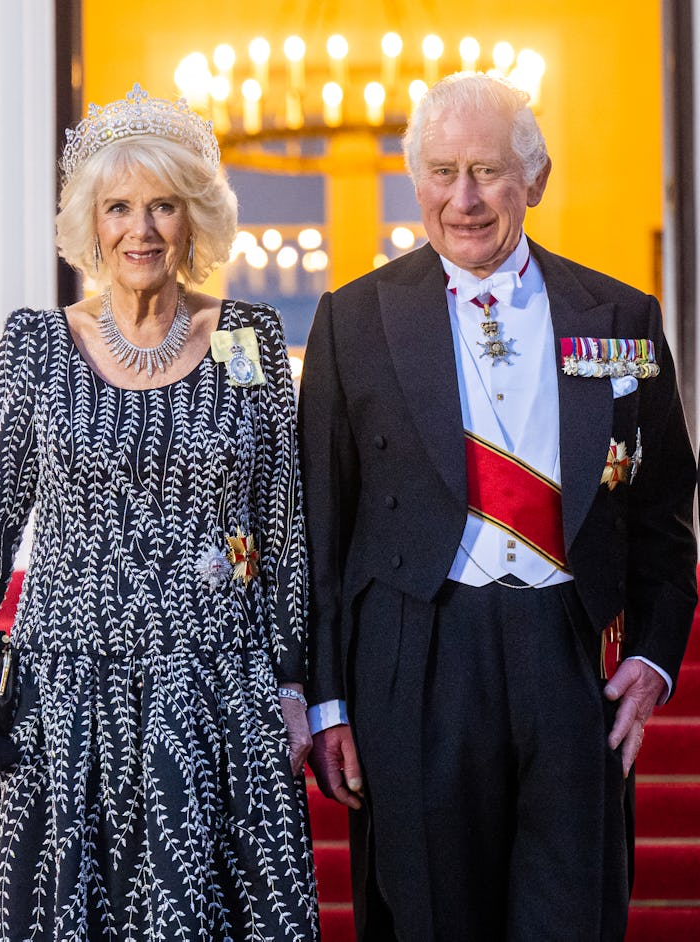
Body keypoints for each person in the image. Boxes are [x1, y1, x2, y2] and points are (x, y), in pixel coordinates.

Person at [298, 71, 697, 941]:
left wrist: (657, 659)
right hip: (417, 658)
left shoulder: (622, 316)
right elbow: (320, 534)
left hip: (567, 652)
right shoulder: (353, 321)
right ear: (417, 181)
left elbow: (665, 515)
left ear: (535, 179)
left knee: (572, 919)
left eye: (487, 171)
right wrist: (327, 701)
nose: (465, 199)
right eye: (442, 172)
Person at [0, 83, 318, 941]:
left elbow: (282, 528)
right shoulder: (35, 345)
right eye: (121, 207)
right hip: (65, 691)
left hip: (214, 691)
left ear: (193, 219)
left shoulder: (247, 338)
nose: (142, 229)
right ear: (91, 224)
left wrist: (291, 680)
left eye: (163, 206)